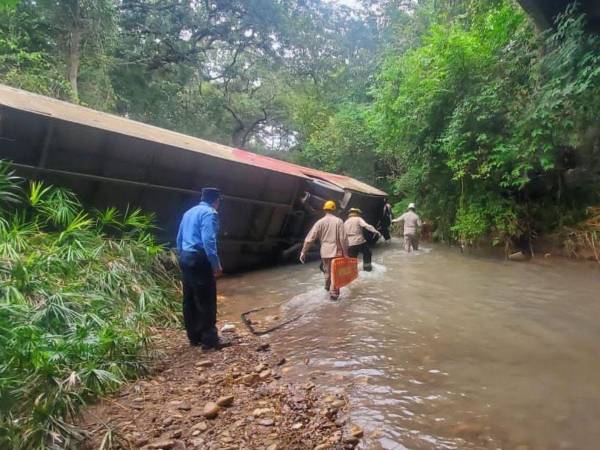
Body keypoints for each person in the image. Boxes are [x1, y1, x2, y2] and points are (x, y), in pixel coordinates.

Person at [176, 187, 227, 349]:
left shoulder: (188, 213)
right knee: (206, 299)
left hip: (185, 256)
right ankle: (210, 340)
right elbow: (209, 241)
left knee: (189, 298)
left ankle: (194, 337)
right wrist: (215, 264)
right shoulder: (210, 213)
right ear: (216, 201)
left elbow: (179, 239)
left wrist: (183, 256)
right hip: (199, 258)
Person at [300, 200, 349, 300]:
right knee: (336, 275)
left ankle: (327, 290)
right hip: (337, 252)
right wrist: (346, 253)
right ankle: (334, 297)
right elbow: (343, 238)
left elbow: (310, 238)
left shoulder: (319, 222)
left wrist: (303, 252)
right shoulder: (338, 221)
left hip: (325, 253)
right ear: (334, 209)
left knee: (327, 273)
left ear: (324, 209)